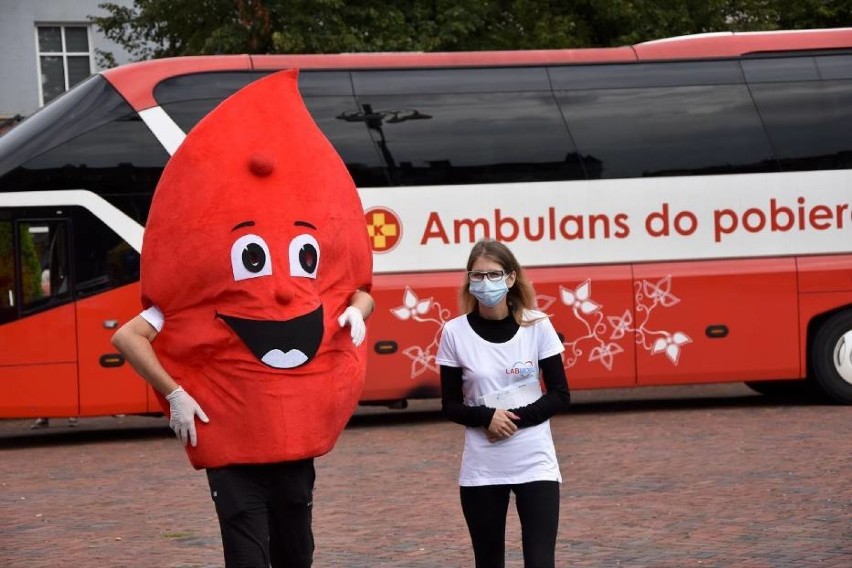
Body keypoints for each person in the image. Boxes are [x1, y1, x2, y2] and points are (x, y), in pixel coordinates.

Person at [112, 289, 373, 566]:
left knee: (296, 556)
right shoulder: (193, 298)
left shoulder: (288, 287)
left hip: (290, 453)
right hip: (234, 459)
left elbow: (357, 292)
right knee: (247, 559)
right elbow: (127, 337)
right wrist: (174, 393)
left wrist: (358, 309)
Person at [436, 239, 571, 568]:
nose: (485, 283)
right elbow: (450, 405)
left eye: (493, 275)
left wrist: (512, 420)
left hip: (535, 462)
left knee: (540, 562)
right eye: (477, 276)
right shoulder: (454, 333)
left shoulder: (536, 325)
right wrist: (486, 417)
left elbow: (559, 394)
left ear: (511, 278)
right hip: (483, 469)